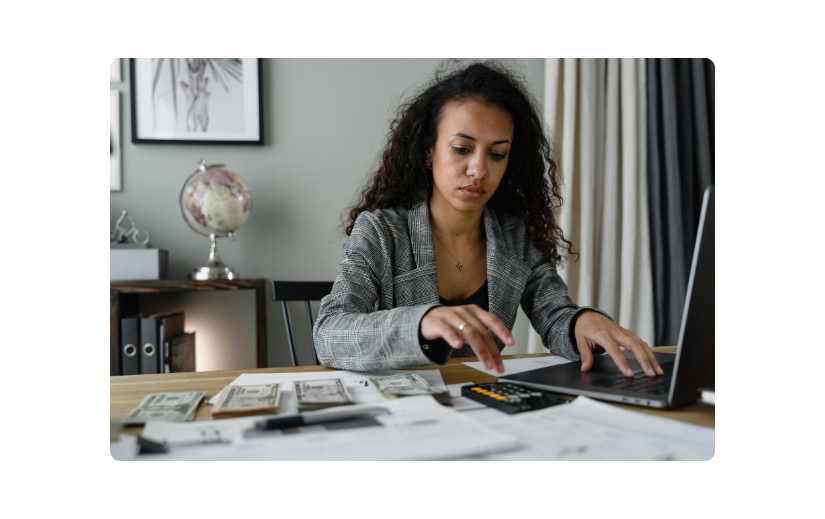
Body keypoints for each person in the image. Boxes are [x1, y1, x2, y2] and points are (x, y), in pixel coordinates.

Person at [314, 61, 663, 378]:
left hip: (483, 404)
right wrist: (421, 323)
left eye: (497, 154)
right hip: (405, 412)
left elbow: (555, 314)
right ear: (428, 150)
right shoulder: (381, 231)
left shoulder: (513, 236)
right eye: (462, 149)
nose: (479, 169)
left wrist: (583, 321)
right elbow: (329, 332)